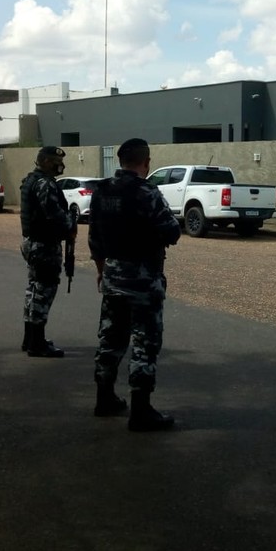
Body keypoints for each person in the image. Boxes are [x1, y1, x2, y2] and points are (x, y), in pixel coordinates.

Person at [88, 138, 181, 431]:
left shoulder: (101, 191)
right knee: (144, 342)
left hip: (113, 275)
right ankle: (141, 411)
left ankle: (104, 399)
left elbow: (95, 237)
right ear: (146, 161)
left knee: (111, 338)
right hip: (142, 279)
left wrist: (102, 270)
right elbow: (171, 231)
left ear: (120, 161)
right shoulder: (147, 192)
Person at [20, 146, 77, 358]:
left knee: (34, 290)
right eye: (54, 161)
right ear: (44, 162)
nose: (59, 165)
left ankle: (30, 339)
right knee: (43, 291)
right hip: (43, 244)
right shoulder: (44, 183)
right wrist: (71, 220)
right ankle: (37, 343)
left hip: (34, 242)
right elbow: (55, 216)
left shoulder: (32, 180)